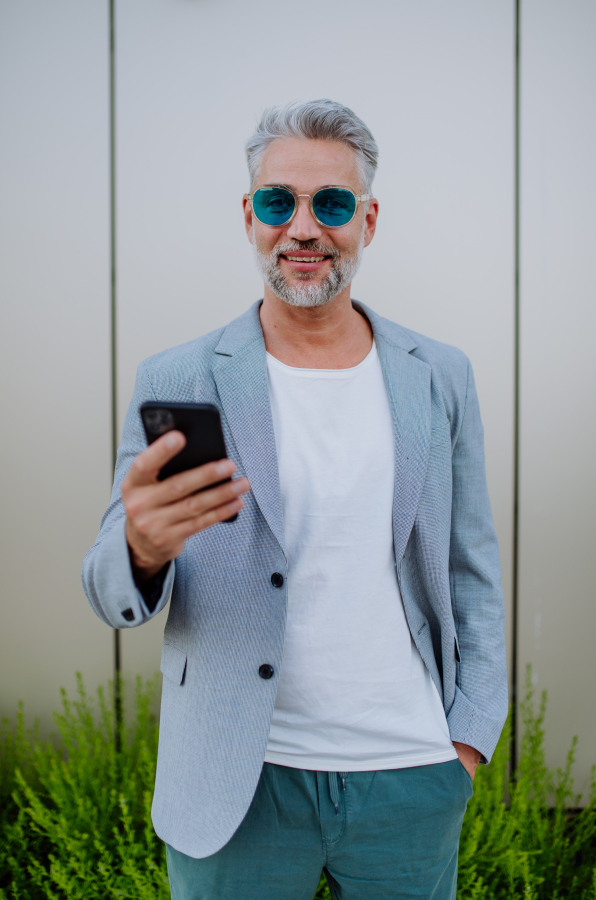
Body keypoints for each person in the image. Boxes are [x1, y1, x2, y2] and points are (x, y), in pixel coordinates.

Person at [82, 99, 507, 900]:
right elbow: (107, 588)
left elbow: (471, 566)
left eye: (333, 204)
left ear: (369, 220)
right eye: (279, 202)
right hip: (236, 782)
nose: (304, 228)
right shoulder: (177, 377)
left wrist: (469, 739)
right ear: (249, 216)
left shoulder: (439, 376)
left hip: (411, 775)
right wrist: (141, 548)